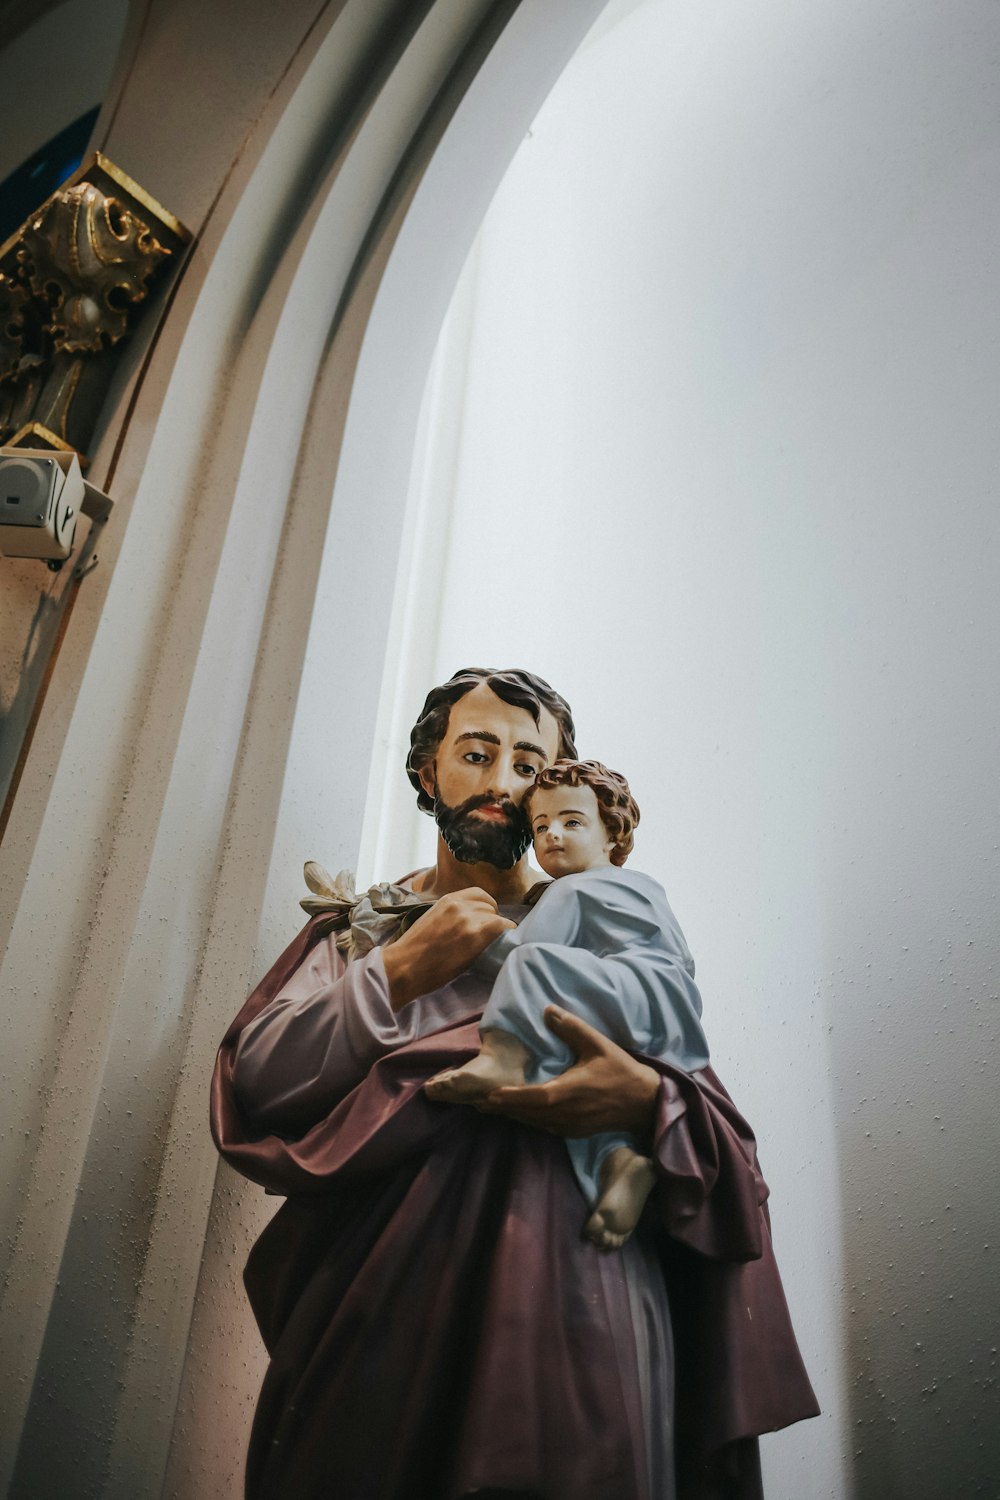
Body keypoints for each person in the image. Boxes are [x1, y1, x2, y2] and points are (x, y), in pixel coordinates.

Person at [211, 667, 818, 1500]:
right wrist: (400, 971)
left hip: (580, 1298)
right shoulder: (364, 931)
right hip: (385, 1303)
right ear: (430, 771)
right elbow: (261, 1087)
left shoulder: (601, 921)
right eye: (476, 753)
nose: (501, 783)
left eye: (529, 765)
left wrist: (644, 1104)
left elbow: (731, 1163)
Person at [425, 758, 710, 1252]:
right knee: (569, 1065)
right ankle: (618, 1159)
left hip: (636, 984)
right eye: (541, 826)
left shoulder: (575, 887)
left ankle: (501, 1059)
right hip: (667, 1006)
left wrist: (463, 935)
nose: (553, 835)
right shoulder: (646, 887)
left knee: (532, 965)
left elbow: (518, 951)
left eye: (571, 822)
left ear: (612, 836)